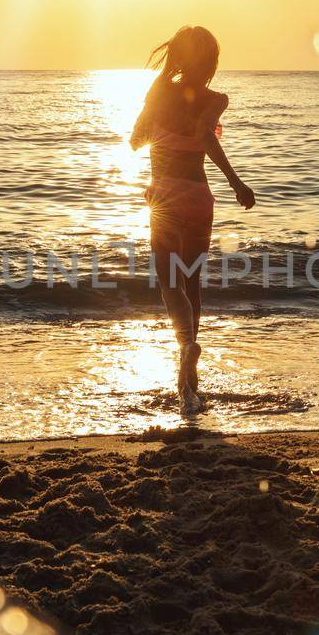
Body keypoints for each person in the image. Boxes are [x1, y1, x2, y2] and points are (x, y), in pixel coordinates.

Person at [129, 25, 255, 413]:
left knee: (170, 285)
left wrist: (153, 127)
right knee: (193, 283)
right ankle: (189, 384)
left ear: (178, 57)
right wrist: (238, 184)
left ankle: (186, 349)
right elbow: (206, 140)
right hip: (200, 199)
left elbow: (136, 141)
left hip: (165, 197)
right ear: (212, 62)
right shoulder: (216, 99)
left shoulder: (158, 92)